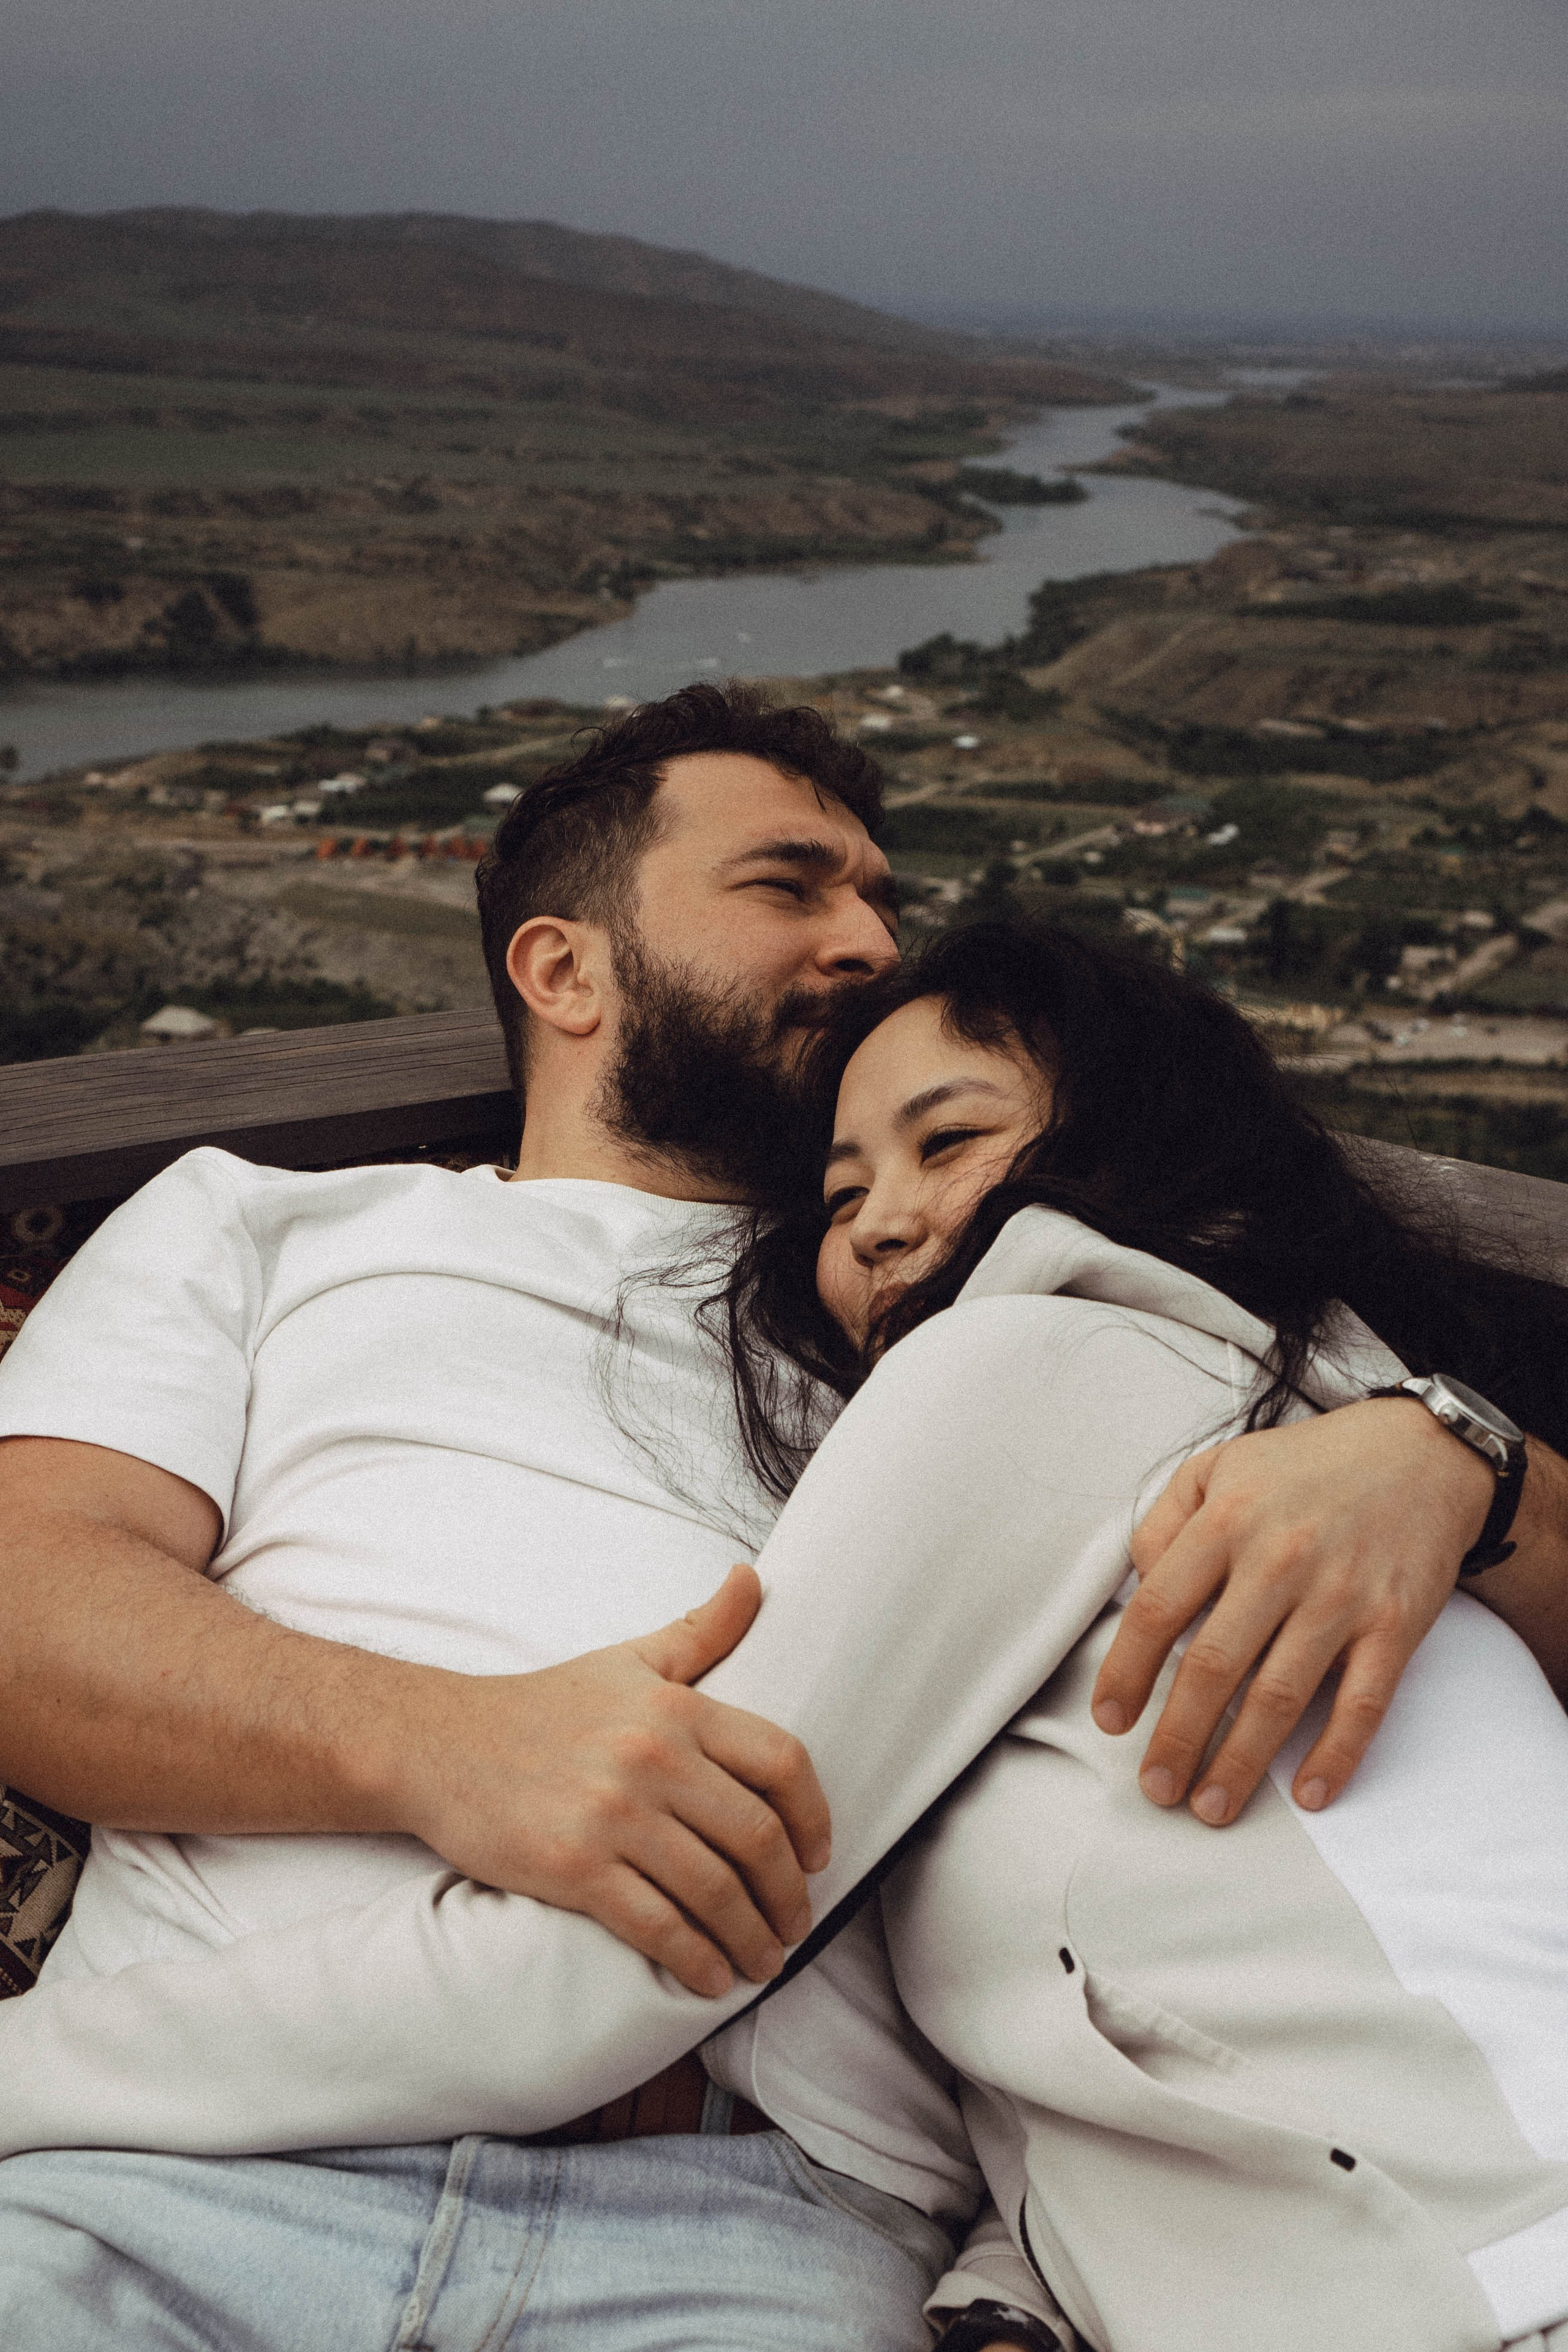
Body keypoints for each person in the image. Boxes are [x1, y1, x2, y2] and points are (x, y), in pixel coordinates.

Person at [0, 685, 1562, 2350]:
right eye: (792, 885)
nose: (867, 940)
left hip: (764, 2216)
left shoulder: (964, 1308)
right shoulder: (270, 1229)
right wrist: (444, 1749)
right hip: (175, 2157)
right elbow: (32, 1602)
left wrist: (1452, 1453)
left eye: (883, 900)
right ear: (565, 967)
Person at [714, 916, 1568, 2352]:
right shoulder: (1040, 1545)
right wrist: (1011, 2287)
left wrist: (1459, 1459)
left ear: (1129, 1138)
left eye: (947, 1140)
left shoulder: (1067, 1362)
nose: (868, 1220)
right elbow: (1156, 1968)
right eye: (839, 1188)